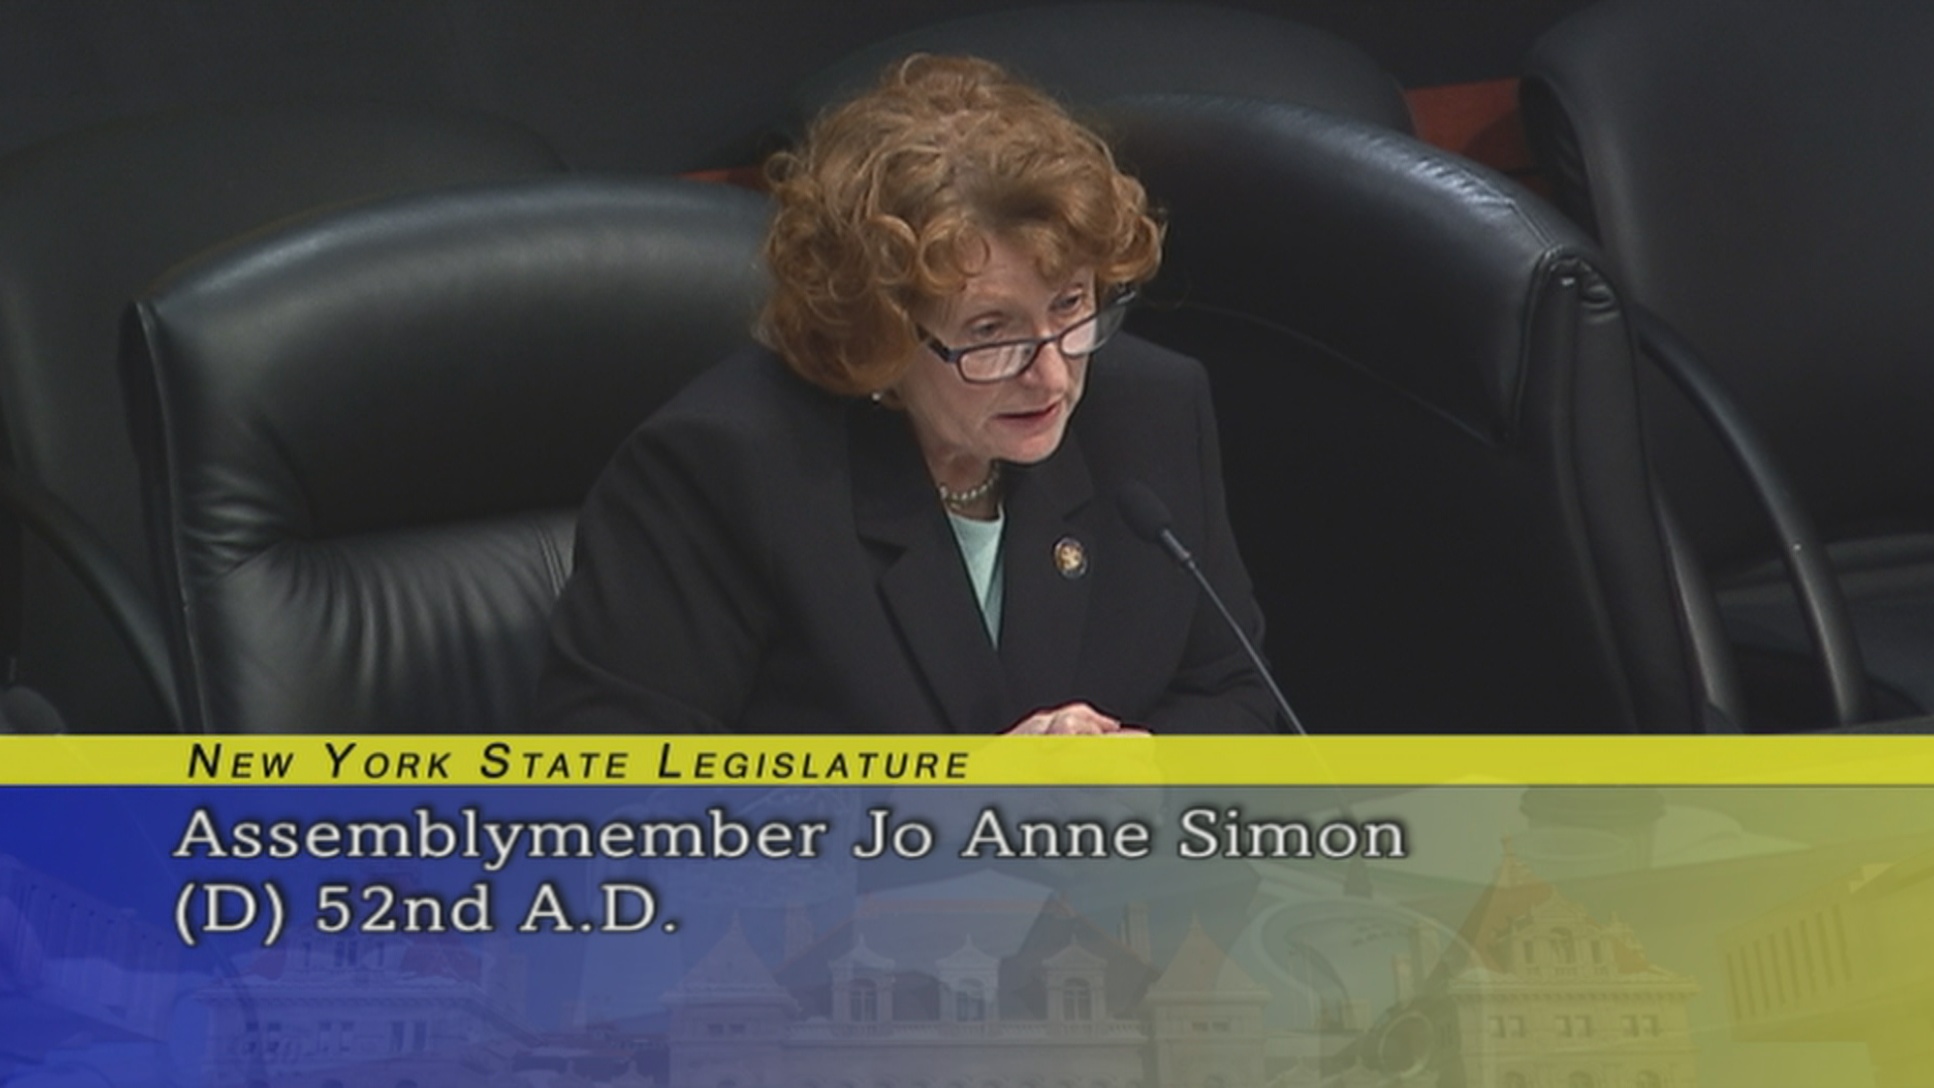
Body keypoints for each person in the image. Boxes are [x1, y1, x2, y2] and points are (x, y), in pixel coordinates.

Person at [534, 54, 1275, 734]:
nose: (1052, 375)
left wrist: (1145, 770)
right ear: (879, 331)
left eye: (1071, 305)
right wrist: (953, 804)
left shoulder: (1153, 411)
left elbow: (1236, 694)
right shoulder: (723, 472)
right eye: (990, 331)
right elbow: (610, 793)